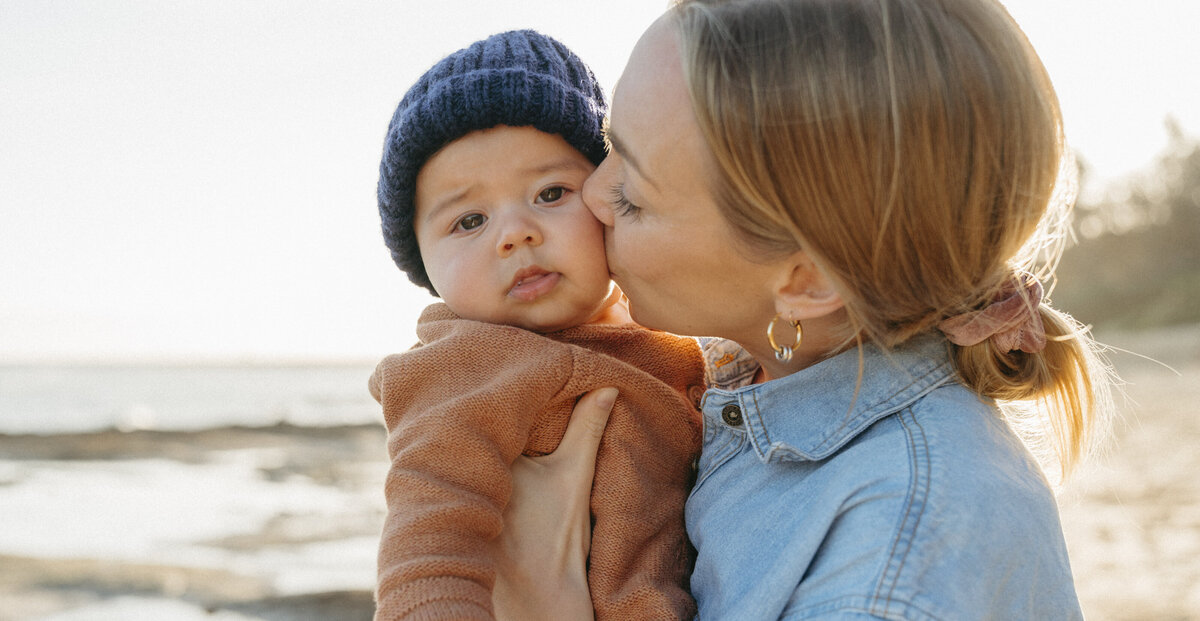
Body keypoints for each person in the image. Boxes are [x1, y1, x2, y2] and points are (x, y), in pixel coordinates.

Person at [492, 0, 1116, 619]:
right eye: (610, 144)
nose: (592, 194)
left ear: (808, 281)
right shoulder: (756, 366)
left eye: (632, 196)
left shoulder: (884, 578)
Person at [369, 30, 705, 621]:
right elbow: (428, 548)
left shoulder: (666, 331)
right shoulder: (463, 369)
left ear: (611, 195)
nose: (515, 233)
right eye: (469, 220)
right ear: (422, 266)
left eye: (551, 193)